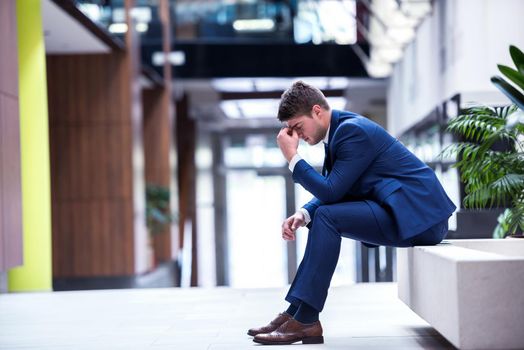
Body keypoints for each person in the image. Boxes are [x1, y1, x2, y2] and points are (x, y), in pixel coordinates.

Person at [248, 81, 456, 345]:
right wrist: (305, 213)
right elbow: (338, 187)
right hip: (399, 211)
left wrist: (292, 158)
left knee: (328, 217)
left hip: (420, 219)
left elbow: (332, 191)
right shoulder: (340, 132)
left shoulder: (352, 132)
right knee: (322, 215)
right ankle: (296, 314)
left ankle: (306, 319)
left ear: (317, 111)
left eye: (298, 127)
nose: (297, 136)